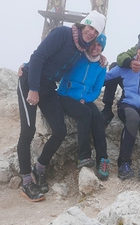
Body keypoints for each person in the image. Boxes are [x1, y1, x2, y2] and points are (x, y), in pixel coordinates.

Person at [16, 10, 106, 202]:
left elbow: (92, 59)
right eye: (90, 27)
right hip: (30, 83)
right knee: (28, 132)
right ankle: (26, 181)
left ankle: (39, 168)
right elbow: (38, 56)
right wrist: (32, 87)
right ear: (84, 24)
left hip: (48, 87)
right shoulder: (63, 34)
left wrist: (104, 58)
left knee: (60, 130)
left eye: (96, 32)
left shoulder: (82, 48)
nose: (91, 33)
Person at [105, 33, 140, 182]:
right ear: (137, 49)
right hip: (128, 103)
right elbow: (106, 78)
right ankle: (124, 163)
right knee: (133, 118)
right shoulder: (126, 66)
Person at [57, 34, 110, 180]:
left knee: (98, 117)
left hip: (83, 99)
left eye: (99, 45)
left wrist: (85, 99)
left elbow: (96, 89)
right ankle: (83, 156)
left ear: (102, 48)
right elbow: (53, 60)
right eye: (93, 43)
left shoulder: (101, 66)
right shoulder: (76, 56)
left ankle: (103, 159)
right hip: (65, 96)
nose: (95, 47)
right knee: (85, 113)